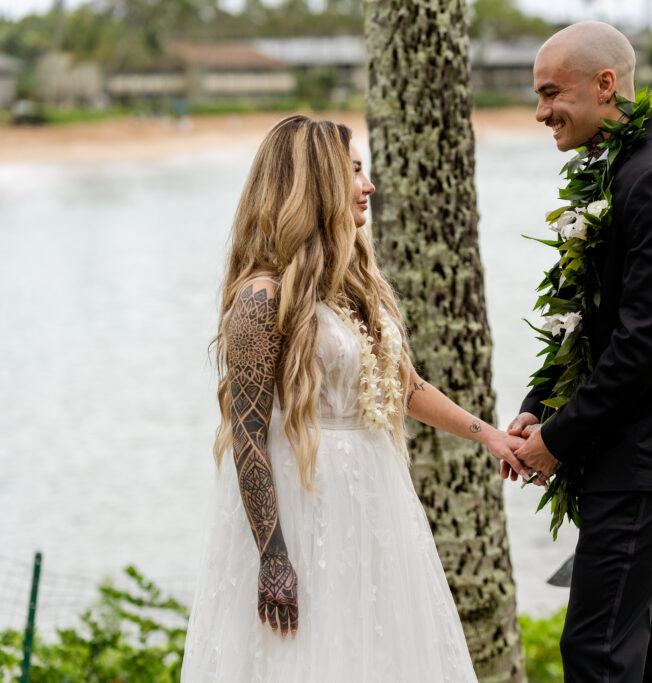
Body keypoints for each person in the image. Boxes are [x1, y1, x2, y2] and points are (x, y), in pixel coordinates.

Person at [181, 115, 527, 681]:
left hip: (373, 499)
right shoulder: (260, 297)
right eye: (355, 171)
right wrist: (273, 557)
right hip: (301, 502)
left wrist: (489, 437)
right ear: (316, 183)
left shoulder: (352, 284)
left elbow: (404, 386)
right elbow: (246, 433)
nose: (368, 186)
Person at [509, 22, 652, 682]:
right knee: (644, 650)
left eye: (553, 92)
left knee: (596, 649)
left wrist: (558, 439)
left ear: (606, 84)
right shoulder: (618, 175)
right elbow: (587, 324)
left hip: (648, 457)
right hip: (632, 455)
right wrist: (536, 409)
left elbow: (644, 345)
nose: (542, 111)